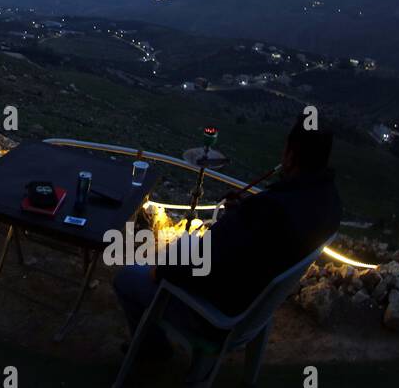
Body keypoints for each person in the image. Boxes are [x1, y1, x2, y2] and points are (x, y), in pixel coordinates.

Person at [112, 118, 341, 364]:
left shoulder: (270, 209)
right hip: (256, 307)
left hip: (217, 315)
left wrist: (162, 271)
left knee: (127, 278)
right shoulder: (329, 202)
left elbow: (205, 263)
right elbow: (264, 234)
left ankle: (151, 353)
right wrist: (244, 213)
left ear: (291, 155)